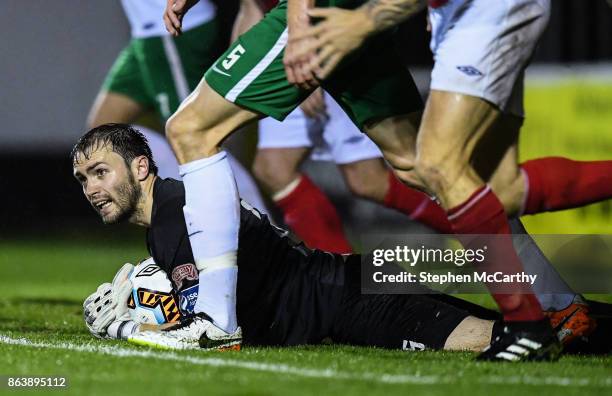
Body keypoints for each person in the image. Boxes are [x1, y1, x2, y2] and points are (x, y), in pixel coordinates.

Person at [73, 124, 502, 353]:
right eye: (83, 179)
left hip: (345, 301)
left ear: (141, 168)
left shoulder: (174, 217)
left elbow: (209, 337)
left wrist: (127, 327)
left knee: (490, 341)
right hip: (346, 280)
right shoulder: (174, 208)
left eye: (100, 172)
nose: (91, 189)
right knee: (518, 331)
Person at [87, 0, 269, 212]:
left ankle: (259, 224)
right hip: (146, 32)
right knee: (101, 134)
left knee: (195, 137)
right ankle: (189, 210)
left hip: (172, 29)